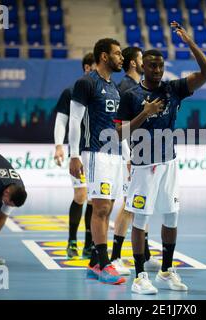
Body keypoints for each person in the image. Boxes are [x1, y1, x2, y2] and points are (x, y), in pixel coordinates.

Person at [115, 21, 206, 295]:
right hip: (143, 166)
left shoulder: (174, 89)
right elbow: (118, 133)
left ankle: (166, 271)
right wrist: (144, 114)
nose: (157, 70)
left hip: (169, 163)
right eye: (152, 66)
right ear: (142, 67)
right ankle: (138, 277)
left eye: (160, 66)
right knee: (141, 220)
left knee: (171, 217)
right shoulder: (131, 95)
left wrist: (190, 43)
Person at [69, 38, 126, 285]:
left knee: (108, 208)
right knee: (100, 209)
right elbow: (74, 120)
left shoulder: (114, 87)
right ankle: (104, 264)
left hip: (114, 156)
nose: (121, 57)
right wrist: (73, 155)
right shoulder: (86, 82)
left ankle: (94, 263)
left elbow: (119, 126)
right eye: (117, 53)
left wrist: (128, 157)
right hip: (94, 153)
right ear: (104, 56)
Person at [110, 46, 161, 275]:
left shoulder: (140, 87)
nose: (145, 63)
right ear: (134, 63)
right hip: (129, 156)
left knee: (143, 204)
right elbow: (120, 127)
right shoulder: (126, 89)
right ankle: (115, 257)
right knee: (129, 206)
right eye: (142, 59)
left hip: (142, 156)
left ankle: (146, 254)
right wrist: (127, 156)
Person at [53, 52, 96, 259]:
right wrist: (59, 146)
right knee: (80, 195)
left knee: (94, 199)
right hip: (78, 152)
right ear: (87, 68)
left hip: (98, 152)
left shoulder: (103, 90)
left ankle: (89, 243)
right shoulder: (71, 91)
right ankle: (72, 241)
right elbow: (62, 121)